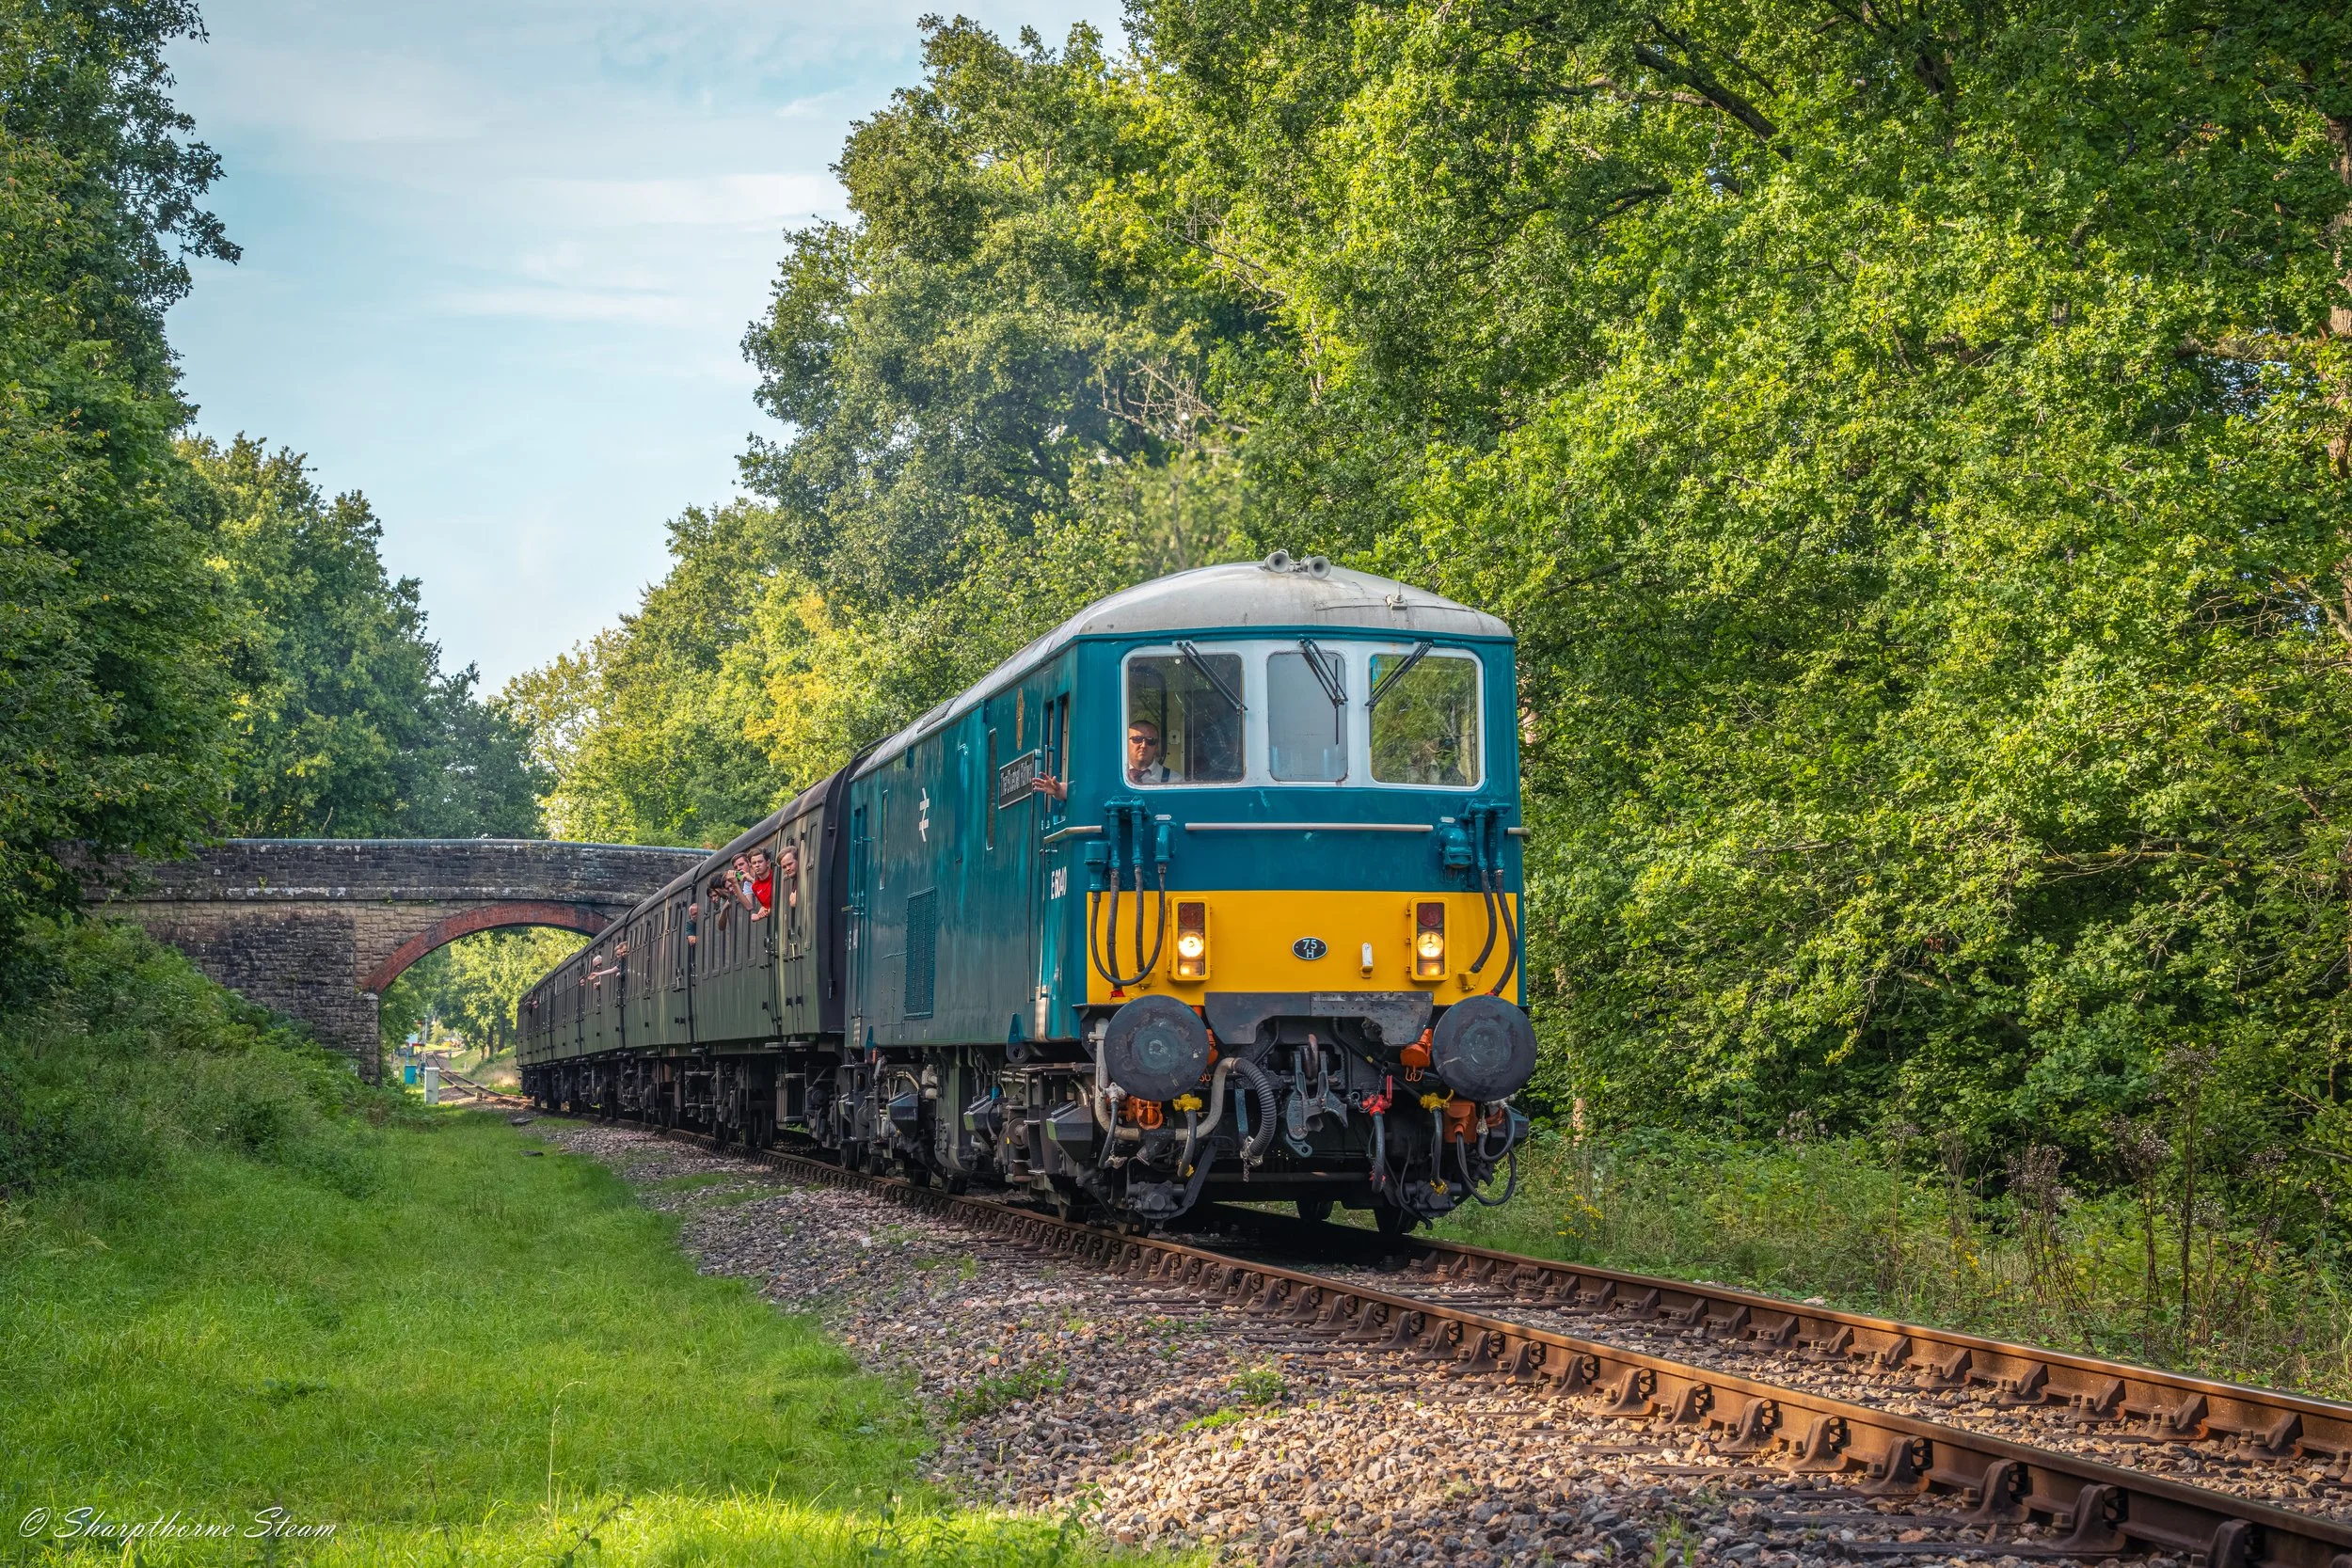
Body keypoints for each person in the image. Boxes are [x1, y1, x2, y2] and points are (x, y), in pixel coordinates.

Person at [1127, 718, 1176, 784]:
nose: (1143, 745)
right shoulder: (1112, 776)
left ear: (1157, 746)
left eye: (1150, 741)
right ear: (1126, 743)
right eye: (1137, 739)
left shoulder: (1175, 781)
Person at [748, 849, 773, 920]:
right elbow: (767, 908)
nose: (757, 865)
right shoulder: (755, 887)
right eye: (754, 863)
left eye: (760, 862)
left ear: (767, 862)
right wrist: (762, 912)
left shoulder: (776, 876)